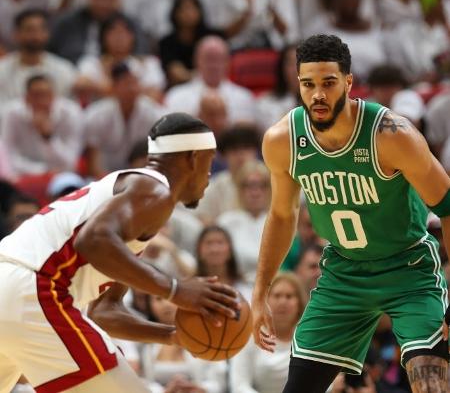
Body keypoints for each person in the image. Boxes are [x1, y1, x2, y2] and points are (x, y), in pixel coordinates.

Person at [251, 34, 450, 393]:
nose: (318, 95)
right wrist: (260, 290)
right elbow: (282, 216)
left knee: (431, 380)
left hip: (408, 269)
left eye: (328, 83)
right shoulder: (282, 140)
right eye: (308, 84)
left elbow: (448, 207)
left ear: (348, 82)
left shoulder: (392, 135)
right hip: (344, 273)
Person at [0, 112, 240, 393]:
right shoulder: (154, 189)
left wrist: (175, 336)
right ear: (193, 157)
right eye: (210, 161)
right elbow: (93, 240)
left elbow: (104, 311)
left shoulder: (130, 203)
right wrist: (175, 289)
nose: (210, 174)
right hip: (34, 288)